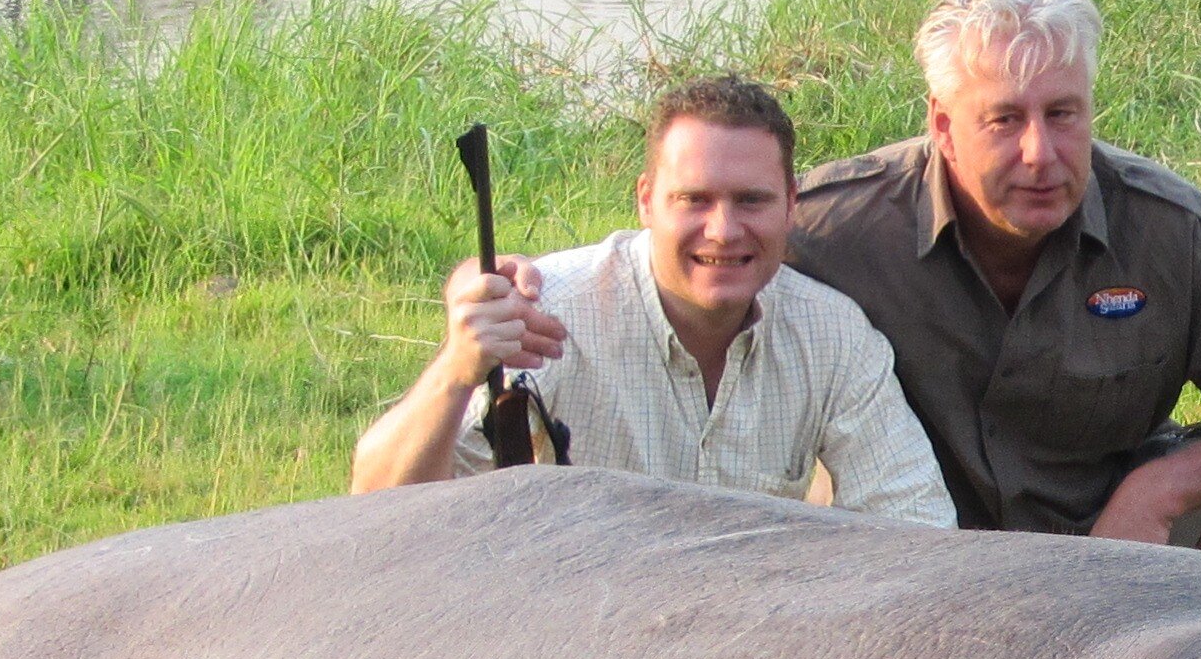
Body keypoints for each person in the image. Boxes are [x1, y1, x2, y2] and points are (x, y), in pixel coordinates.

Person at [793, 0, 1201, 578]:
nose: (1039, 153)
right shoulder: (830, 229)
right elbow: (701, 296)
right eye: (1003, 119)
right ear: (943, 126)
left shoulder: (1168, 226)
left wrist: (1159, 491)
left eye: (1062, 114)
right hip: (911, 552)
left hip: (1115, 543)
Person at [352, 73, 953, 526]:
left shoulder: (832, 334)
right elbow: (377, 510)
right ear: (645, 201)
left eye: (751, 201)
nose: (722, 230)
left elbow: (916, 522)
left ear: (792, 203)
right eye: (694, 200)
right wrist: (455, 373)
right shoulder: (545, 317)